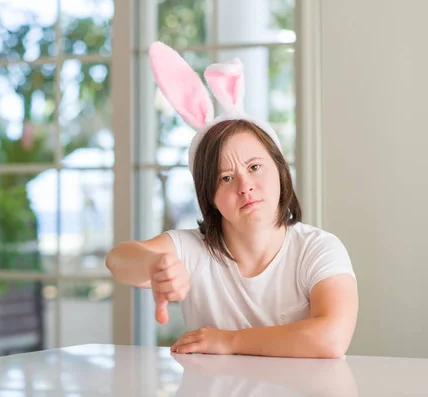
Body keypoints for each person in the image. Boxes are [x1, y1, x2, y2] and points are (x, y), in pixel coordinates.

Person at [105, 41, 358, 358]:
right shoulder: (192, 249)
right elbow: (118, 260)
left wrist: (229, 341)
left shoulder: (317, 249)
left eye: (255, 167)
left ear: (279, 170)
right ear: (208, 197)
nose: (245, 186)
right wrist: (154, 264)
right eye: (225, 178)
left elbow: (331, 338)